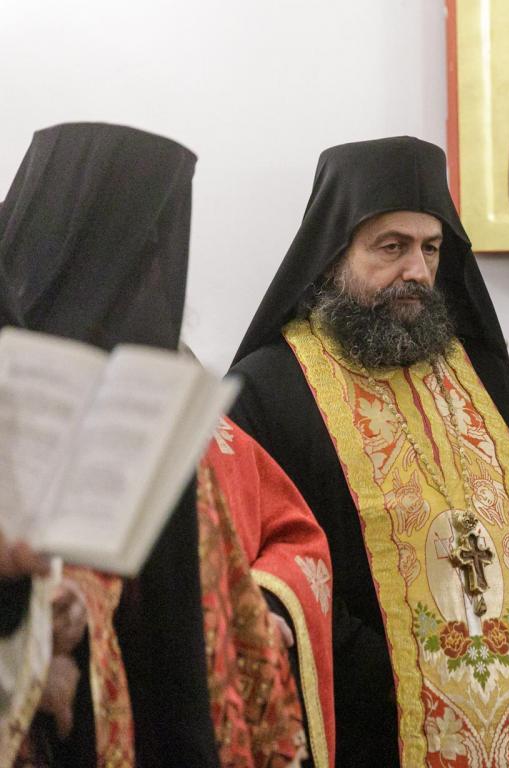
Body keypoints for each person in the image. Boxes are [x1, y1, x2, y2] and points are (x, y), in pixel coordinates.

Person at [229, 136, 509, 767]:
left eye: (430, 248)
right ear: (332, 253)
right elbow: (268, 567)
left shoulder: (488, 378)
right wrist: (393, 673)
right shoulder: (268, 393)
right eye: (391, 247)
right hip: (372, 720)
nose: (416, 271)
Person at [0, 122, 332, 767]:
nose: (156, 285)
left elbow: (205, 602)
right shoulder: (25, 404)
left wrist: (253, 611)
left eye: (164, 255)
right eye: (138, 256)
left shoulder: (171, 414)